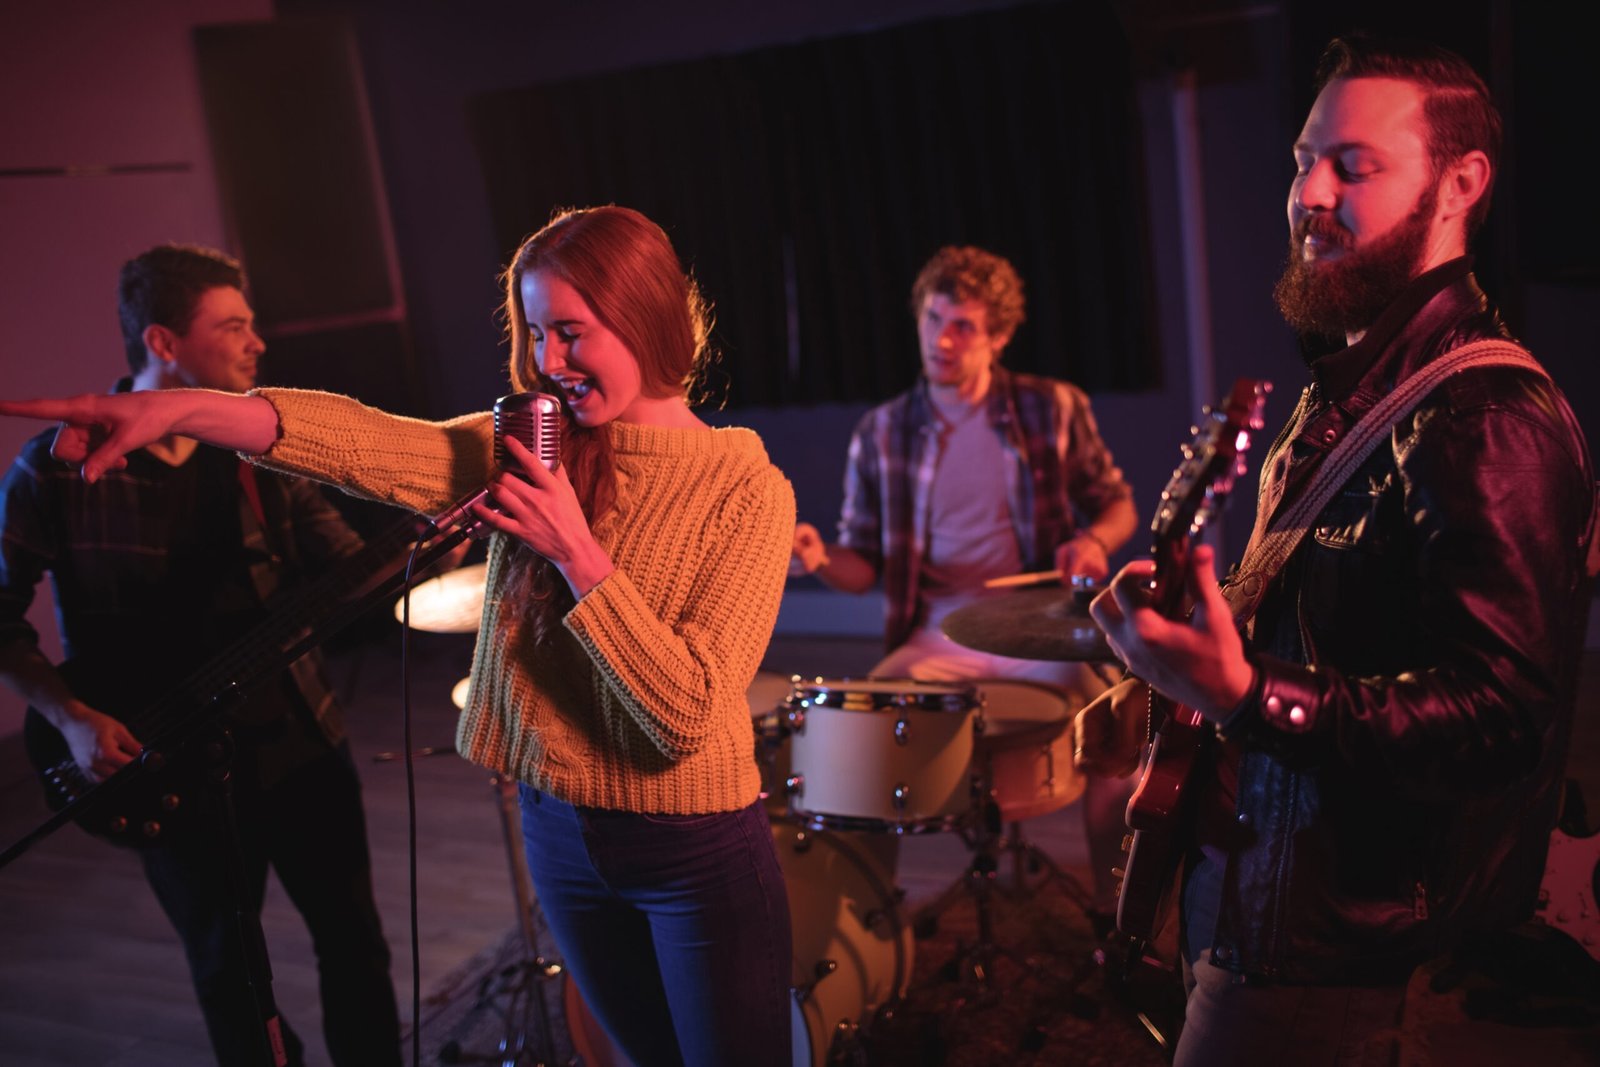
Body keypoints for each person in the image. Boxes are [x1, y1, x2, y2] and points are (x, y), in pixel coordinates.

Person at [1, 207, 798, 1066]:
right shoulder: (532, 447)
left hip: (692, 848)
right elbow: (357, 441)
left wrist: (575, 546)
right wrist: (180, 410)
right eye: (535, 334)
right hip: (558, 831)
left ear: (647, 318)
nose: (548, 363)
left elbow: (684, 713)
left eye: (571, 332)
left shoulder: (747, 490)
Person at [1079, 35, 1596, 1065]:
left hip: (1329, 931)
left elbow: (1500, 721)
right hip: (1261, 878)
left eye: (1351, 166)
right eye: (1299, 161)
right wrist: (1204, 627)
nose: (1307, 193)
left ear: (1459, 185)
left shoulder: (1484, 413)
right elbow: (1332, 623)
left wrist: (1244, 691)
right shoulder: (1344, 388)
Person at [0, 245, 401, 1065]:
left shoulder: (263, 448)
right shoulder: (57, 466)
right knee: (228, 969)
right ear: (163, 343)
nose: (259, 344)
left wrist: (417, 538)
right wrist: (69, 719)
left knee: (355, 944)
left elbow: (351, 566)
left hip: (298, 741)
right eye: (234, 326)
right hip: (160, 761)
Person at [791, 245, 1140, 920]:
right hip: (936, 634)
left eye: (964, 327)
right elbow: (863, 565)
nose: (942, 341)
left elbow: (1116, 502)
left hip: (1040, 631)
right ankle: (868, 929)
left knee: (1118, 738)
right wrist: (819, 558)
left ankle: (1116, 919)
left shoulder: (1053, 408)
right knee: (855, 744)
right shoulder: (882, 433)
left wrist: (1093, 540)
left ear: (998, 337)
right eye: (933, 319)